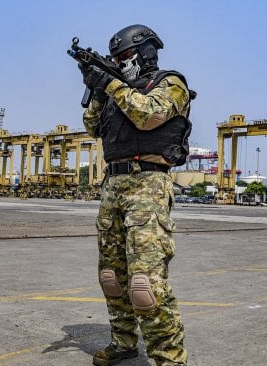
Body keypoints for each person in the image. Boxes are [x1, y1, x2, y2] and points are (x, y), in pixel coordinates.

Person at [77, 24, 193, 366]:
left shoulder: (171, 84)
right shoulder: (117, 93)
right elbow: (91, 126)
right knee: (112, 277)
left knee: (146, 285)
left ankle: (168, 358)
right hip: (113, 186)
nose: (121, 62)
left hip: (148, 187)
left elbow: (147, 115)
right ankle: (123, 342)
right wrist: (98, 88)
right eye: (116, 59)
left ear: (146, 52)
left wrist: (110, 82)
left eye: (125, 56)